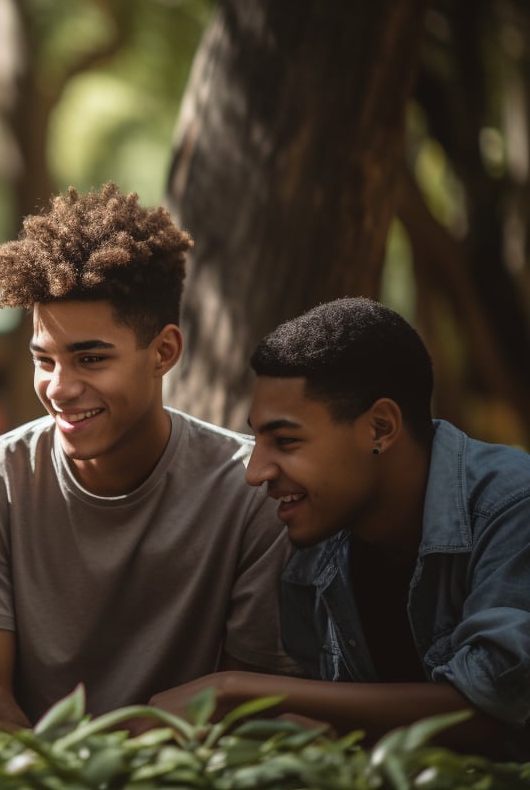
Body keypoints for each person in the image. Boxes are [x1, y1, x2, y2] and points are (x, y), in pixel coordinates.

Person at [0, 183, 298, 727]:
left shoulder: (251, 492)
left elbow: (240, 712)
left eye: (89, 359)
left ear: (164, 352)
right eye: (45, 360)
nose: (59, 388)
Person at [147, 296, 530, 756]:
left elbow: (492, 707)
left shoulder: (511, 506)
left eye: (286, 441)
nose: (255, 472)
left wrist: (234, 689)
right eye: (258, 438)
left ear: (380, 429)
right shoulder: (313, 546)